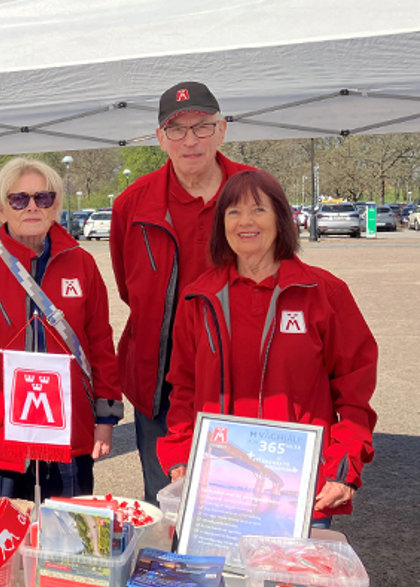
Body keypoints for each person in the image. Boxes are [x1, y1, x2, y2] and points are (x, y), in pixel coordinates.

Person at [157, 169, 377, 526]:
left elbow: (354, 393)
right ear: (221, 224)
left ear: (281, 218)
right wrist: (181, 456)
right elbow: (184, 387)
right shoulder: (199, 297)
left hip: (298, 490)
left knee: (282, 583)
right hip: (219, 486)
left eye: (258, 209)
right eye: (233, 212)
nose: (246, 222)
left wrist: (344, 464)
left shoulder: (323, 293)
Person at [0, 158, 124, 499]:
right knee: (2, 541)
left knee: (68, 541)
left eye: (44, 198)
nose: (32, 207)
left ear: (55, 206)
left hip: (68, 431)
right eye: (19, 199)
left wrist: (106, 418)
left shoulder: (83, 264)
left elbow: (100, 343)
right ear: (1, 209)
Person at [109, 81, 255, 503]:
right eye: (177, 130)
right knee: (167, 502)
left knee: (237, 505)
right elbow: (128, 287)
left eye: (202, 127)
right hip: (159, 383)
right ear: (160, 139)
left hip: (237, 378)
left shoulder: (256, 191)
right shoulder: (131, 204)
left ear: (222, 129)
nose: (190, 140)